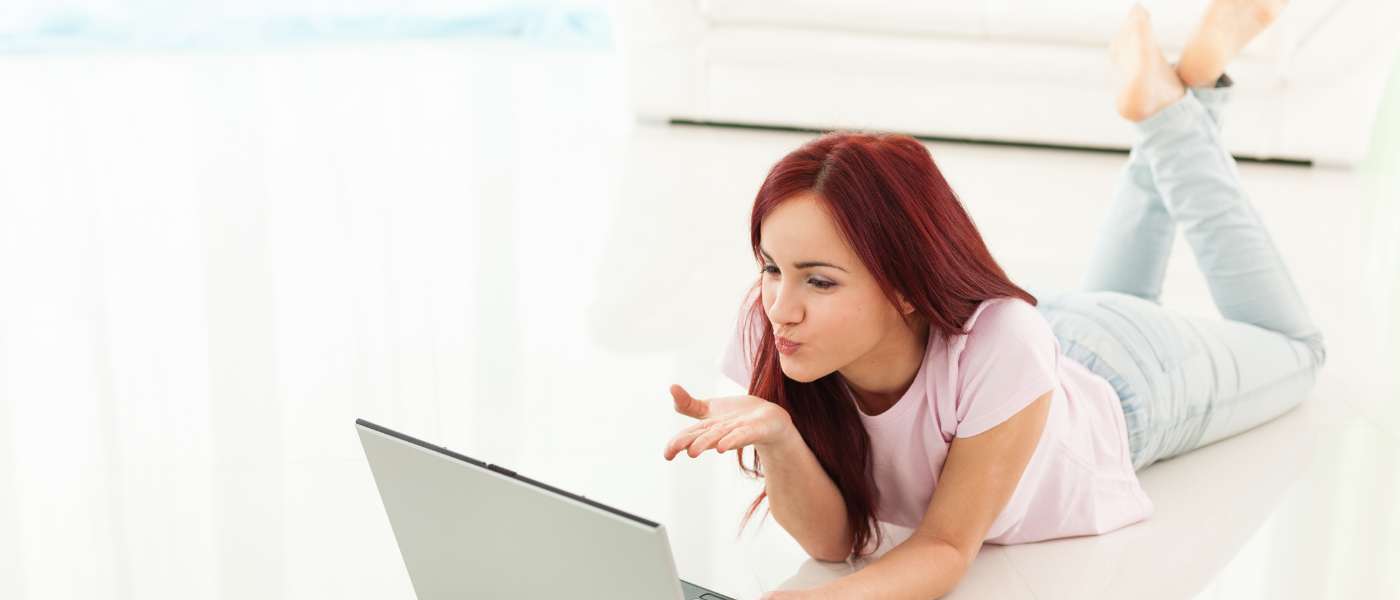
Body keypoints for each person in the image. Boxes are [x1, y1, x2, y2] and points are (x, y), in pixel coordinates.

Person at [661, 0, 1324, 598]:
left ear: (904, 285)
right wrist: (778, 434)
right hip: (1040, 354)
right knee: (1107, 301)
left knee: (1300, 350)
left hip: (1129, 378)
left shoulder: (1004, 344)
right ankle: (1182, 97)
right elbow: (834, 544)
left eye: (819, 279)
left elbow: (948, 546)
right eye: (770, 267)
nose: (780, 307)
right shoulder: (778, 329)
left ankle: (1177, 109)